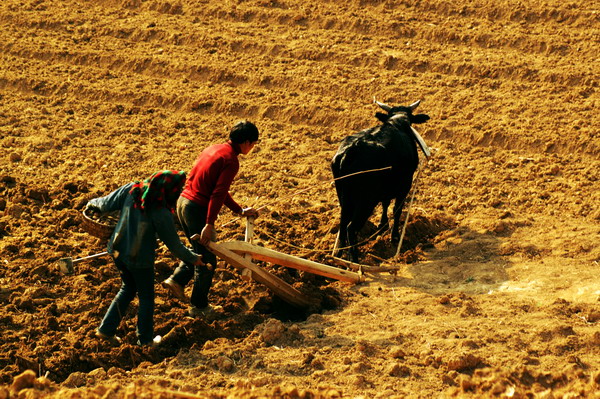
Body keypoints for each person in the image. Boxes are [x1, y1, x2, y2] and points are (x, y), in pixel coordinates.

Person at [87, 170, 205, 347]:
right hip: (139, 259)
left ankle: (105, 330)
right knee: (147, 297)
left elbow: (104, 203)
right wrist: (194, 258)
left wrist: (91, 204)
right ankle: (146, 340)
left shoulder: (132, 189)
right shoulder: (160, 211)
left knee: (127, 288)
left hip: (117, 250)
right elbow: (174, 245)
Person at [162, 120, 260, 318]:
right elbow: (218, 193)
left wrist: (239, 211)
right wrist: (209, 224)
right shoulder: (231, 160)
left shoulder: (214, 149)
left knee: (196, 249)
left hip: (183, 203)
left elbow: (220, 191)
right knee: (207, 260)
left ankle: (177, 280)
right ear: (247, 142)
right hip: (196, 208)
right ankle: (198, 307)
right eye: (254, 144)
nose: (252, 148)